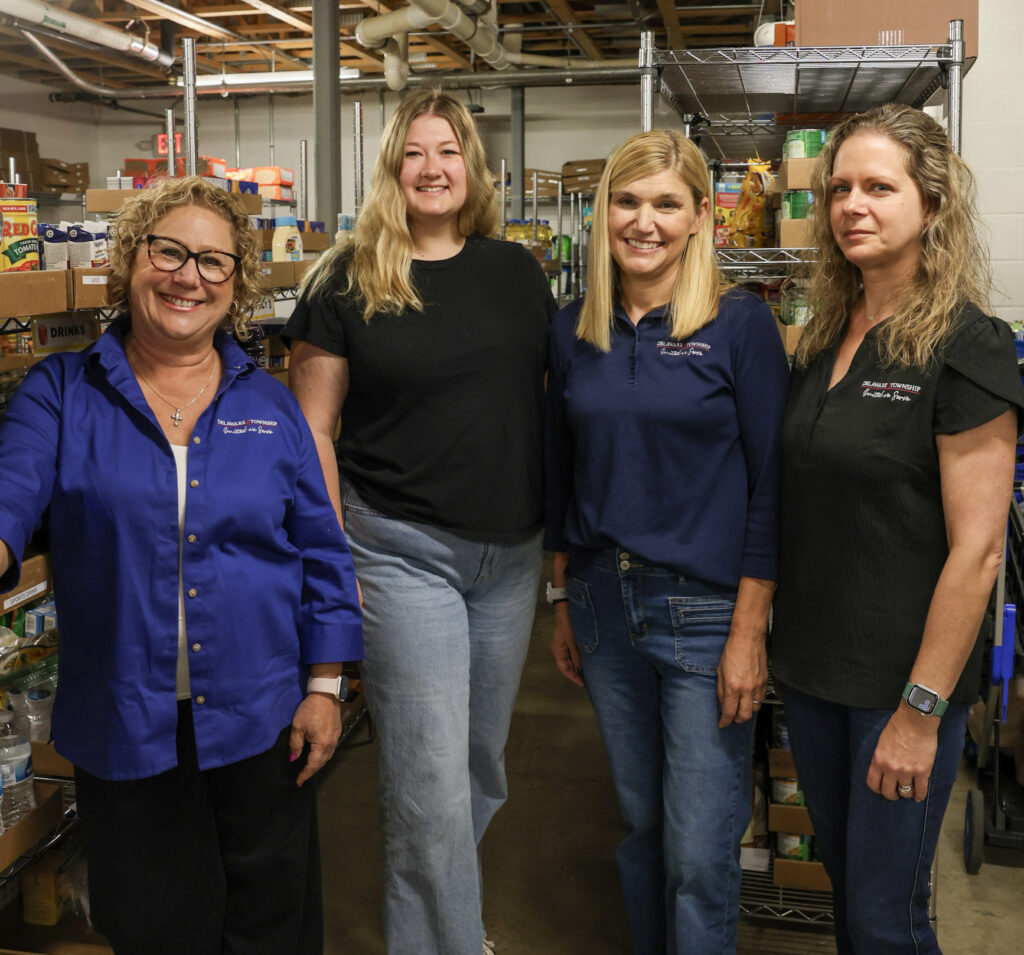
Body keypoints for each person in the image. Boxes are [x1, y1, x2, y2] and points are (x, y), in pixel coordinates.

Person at [0, 176, 363, 955]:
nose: (188, 276)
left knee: (270, 921)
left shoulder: (271, 408)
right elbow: (11, 492)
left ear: (235, 283)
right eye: (168, 251)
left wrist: (325, 687)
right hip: (124, 724)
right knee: (155, 925)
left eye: (213, 260)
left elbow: (323, 554)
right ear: (130, 259)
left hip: (263, 720)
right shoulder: (60, 392)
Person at [284, 90, 554, 955]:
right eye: (414, 152)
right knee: (429, 782)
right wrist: (333, 557)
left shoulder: (517, 271)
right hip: (402, 552)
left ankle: (439, 926)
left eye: (448, 151)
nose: (432, 168)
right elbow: (314, 431)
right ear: (390, 168)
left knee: (478, 768)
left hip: (510, 557)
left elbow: (542, 399)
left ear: (472, 167)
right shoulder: (346, 278)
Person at [770, 103, 1024, 954]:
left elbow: (979, 550)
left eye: (879, 187)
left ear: (933, 204)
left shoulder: (968, 344)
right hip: (814, 675)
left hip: (900, 687)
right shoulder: (822, 337)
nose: (852, 205)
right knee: (851, 899)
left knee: (888, 920)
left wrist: (919, 711)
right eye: (839, 188)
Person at [545, 129, 790, 954]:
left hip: (704, 611)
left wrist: (749, 629)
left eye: (665, 204)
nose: (643, 221)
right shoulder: (573, 330)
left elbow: (771, 485)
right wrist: (562, 597)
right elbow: (563, 470)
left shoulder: (740, 324)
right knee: (643, 826)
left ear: (699, 219)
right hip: (600, 603)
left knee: (698, 850)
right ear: (602, 214)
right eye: (626, 201)